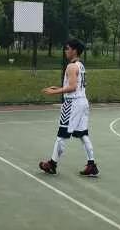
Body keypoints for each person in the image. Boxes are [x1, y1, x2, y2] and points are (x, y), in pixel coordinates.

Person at [39, 39, 98, 177]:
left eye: (67, 48)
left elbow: (72, 87)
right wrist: (59, 88)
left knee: (62, 134)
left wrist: (54, 92)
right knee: (83, 134)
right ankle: (91, 164)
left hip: (73, 104)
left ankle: (52, 164)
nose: (65, 51)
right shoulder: (80, 65)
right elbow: (75, 85)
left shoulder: (71, 66)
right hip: (83, 102)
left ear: (74, 51)